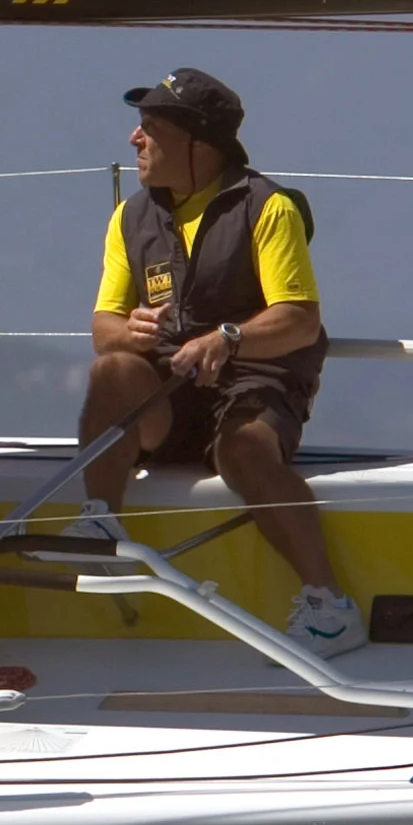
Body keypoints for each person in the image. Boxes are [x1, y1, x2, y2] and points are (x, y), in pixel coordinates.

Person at [70, 68, 359, 656]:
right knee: (112, 370)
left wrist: (229, 338)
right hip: (170, 389)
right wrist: (128, 332)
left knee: (244, 450)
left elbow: (299, 320)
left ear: (199, 143)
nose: (134, 138)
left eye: (150, 127)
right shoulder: (129, 218)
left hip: (255, 379)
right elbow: (103, 331)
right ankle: (100, 524)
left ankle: (330, 606)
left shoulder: (268, 207)